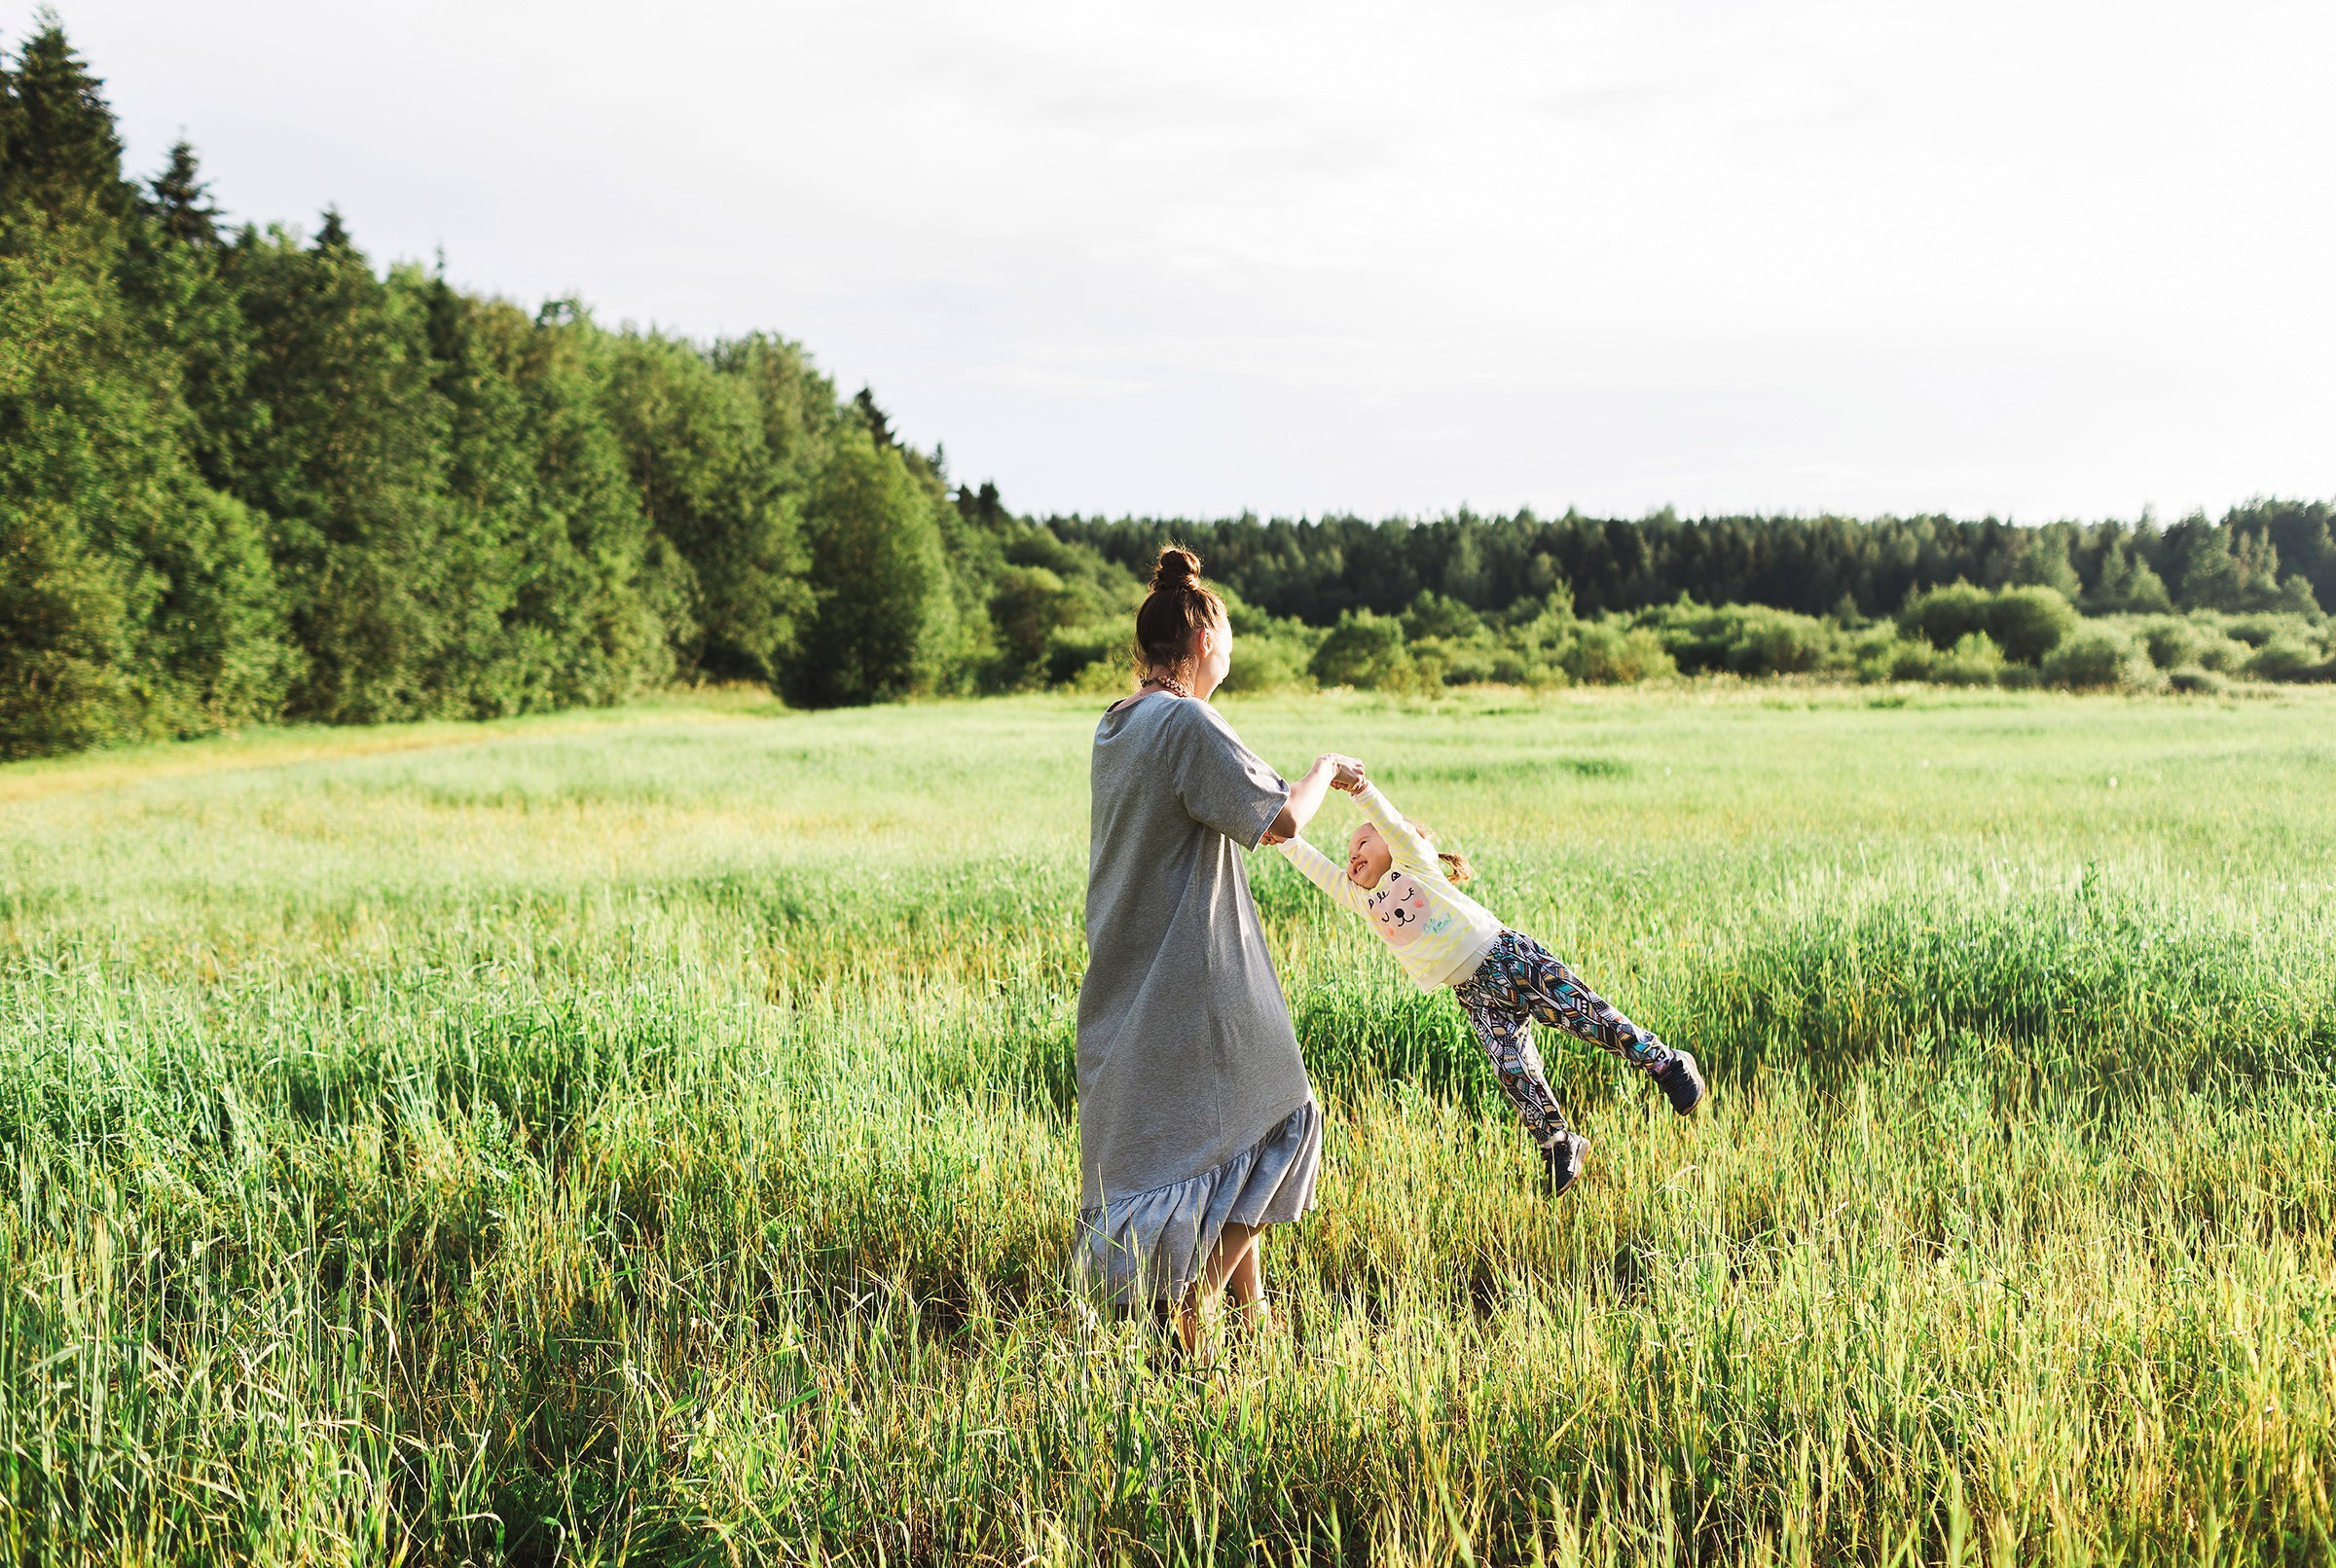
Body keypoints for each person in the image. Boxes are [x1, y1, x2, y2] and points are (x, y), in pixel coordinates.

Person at [1077, 545, 1359, 1350]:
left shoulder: (1119, 722)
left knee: (1220, 1140)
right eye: (1227, 632)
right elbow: (1281, 821)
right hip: (1195, 971)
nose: (1231, 646)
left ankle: (1252, 1310)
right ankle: (1197, 1309)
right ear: (1202, 640)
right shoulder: (1189, 720)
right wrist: (1325, 767)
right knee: (1282, 1118)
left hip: (1131, 968)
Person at [1266, 774, 1704, 1195]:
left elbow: (1392, 825)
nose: (1352, 855)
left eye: (1363, 842)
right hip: (1472, 994)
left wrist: (1360, 789)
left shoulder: (1413, 862)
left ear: (1393, 842)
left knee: (1587, 1017)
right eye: (1349, 851)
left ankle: (1665, 1063)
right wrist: (1287, 840)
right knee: (1513, 1071)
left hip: (1507, 958)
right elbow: (1320, 871)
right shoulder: (1361, 898)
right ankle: (1559, 1143)